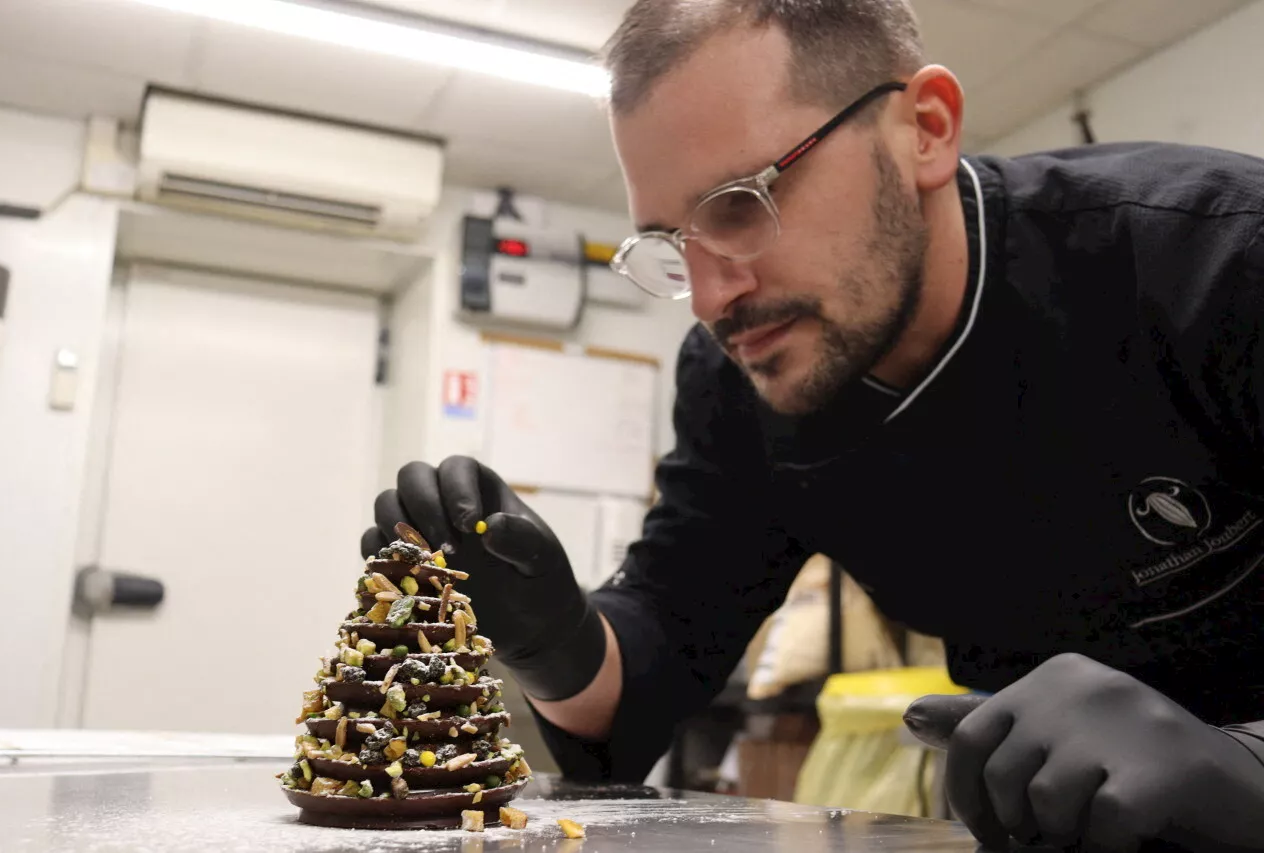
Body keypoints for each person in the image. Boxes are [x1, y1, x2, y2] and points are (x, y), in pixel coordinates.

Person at [363, 1, 1264, 849]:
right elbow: (658, 658)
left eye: (741, 206)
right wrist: (551, 640)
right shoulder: (739, 379)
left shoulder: (1216, 263)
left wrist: (1245, 767)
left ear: (926, 128)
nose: (712, 299)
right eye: (672, 243)